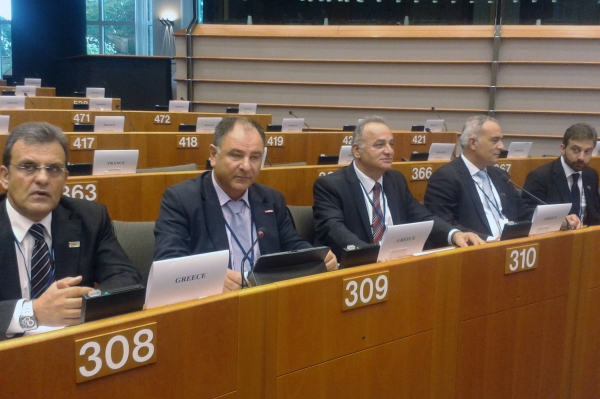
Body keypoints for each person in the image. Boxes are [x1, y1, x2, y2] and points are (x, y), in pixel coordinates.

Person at [154, 117, 337, 291]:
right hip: (214, 304)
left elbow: (291, 244)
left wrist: (316, 257)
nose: (246, 166)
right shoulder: (181, 200)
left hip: (265, 297)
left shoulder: (271, 199)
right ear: (214, 155)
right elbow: (168, 263)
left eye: (255, 157)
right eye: (236, 155)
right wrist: (209, 277)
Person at [0, 122, 141, 340]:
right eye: (28, 167)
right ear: (5, 176)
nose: (42, 179)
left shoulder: (90, 218)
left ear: (65, 179)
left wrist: (84, 301)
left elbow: (126, 278)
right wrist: (32, 312)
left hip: (73, 344)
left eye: (53, 169)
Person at [312, 116, 484, 260]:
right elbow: (334, 230)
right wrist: (371, 255)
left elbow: (422, 216)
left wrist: (454, 234)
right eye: (379, 145)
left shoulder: (395, 180)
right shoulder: (331, 185)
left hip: (398, 263)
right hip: (357, 268)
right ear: (356, 151)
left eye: (391, 144)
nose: (389, 151)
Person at [424, 116, 577, 241]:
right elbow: (445, 225)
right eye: (494, 140)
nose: (501, 146)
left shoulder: (499, 175)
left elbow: (522, 210)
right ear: (473, 143)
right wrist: (489, 240)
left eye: (501, 140)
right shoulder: (445, 178)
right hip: (478, 253)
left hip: (511, 248)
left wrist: (557, 220)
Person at [523, 123, 600, 226]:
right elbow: (526, 214)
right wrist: (559, 222)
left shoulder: (591, 175)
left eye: (587, 152)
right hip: (556, 235)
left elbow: (594, 214)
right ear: (563, 149)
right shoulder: (540, 177)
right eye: (576, 150)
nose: (581, 157)